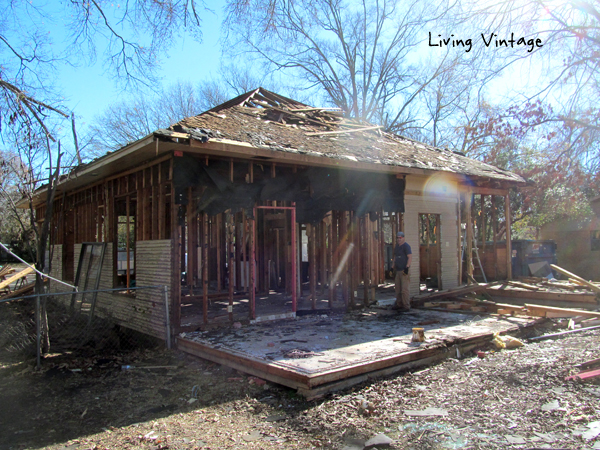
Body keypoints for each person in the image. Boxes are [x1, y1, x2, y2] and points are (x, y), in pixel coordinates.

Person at [393, 231, 412, 311]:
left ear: (403, 238)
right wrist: (392, 267)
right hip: (398, 270)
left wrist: (407, 267)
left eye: (400, 238)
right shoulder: (397, 247)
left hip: (404, 271)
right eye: (397, 238)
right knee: (398, 289)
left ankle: (406, 306)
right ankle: (399, 304)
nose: (398, 239)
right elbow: (395, 257)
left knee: (404, 290)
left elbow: (410, 257)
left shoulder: (406, 246)